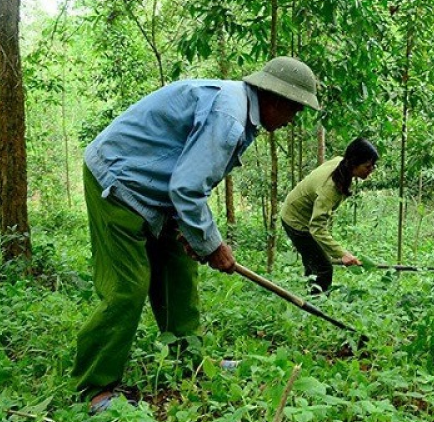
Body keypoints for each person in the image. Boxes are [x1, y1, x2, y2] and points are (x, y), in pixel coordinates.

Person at [71, 56, 320, 413]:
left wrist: (193, 234)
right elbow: (188, 188)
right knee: (128, 286)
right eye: (295, 110)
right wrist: (213, 244)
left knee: (179, 271)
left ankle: (191, 362)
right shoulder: (230, 116)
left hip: (157, 191)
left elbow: (185, 175)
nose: (293, 119)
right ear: (277, 99)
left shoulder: (238, 109)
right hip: (119, 181)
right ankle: (94, 387)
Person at [280, 137, 378, 293]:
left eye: (373, 166)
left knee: (313, 263)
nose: (370, 170)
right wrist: (342, 254)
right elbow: (317, 228)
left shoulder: (341, 164)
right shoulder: (330, 188)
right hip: (295, 221)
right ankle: (317, 308)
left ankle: (308, 301)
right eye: (367, 166)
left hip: (300, 214)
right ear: (353, 163)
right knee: (324, 269)